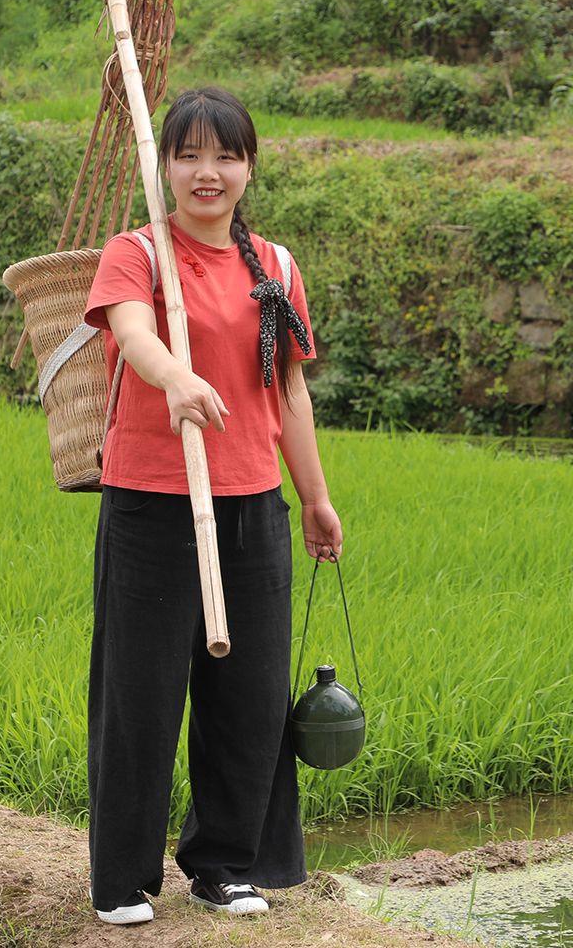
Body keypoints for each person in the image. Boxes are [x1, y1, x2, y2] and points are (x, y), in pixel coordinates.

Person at [79, 86, 344, 926]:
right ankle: (122, 879)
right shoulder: (138, 252)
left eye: (226, 156)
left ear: (249, 168)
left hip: (251, 504)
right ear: (164, 166)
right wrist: (176, 378)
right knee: (141, 692)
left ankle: (226, 863)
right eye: (189, 154)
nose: (208, 172)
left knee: (251, 694)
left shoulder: (277, 268)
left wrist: (315, 497)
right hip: (153, 503)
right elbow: (130, 333)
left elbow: (290, 391)